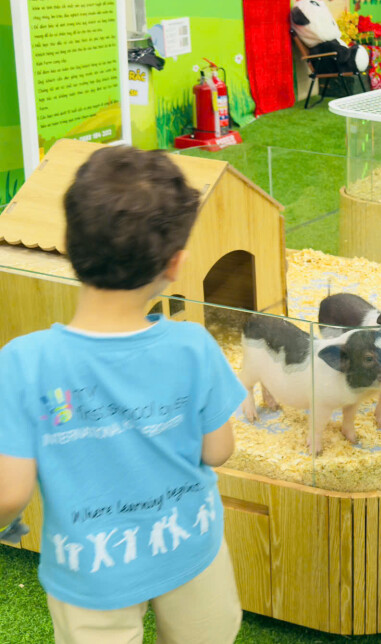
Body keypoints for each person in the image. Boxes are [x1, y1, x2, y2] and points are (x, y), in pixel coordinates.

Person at [0, 146, 247, 643]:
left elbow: (10, 493)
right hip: (191, 547)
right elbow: (218, 450)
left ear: (68, 247)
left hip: (91, 568)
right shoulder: (194, 345)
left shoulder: (24, 361)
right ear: (175, 264)